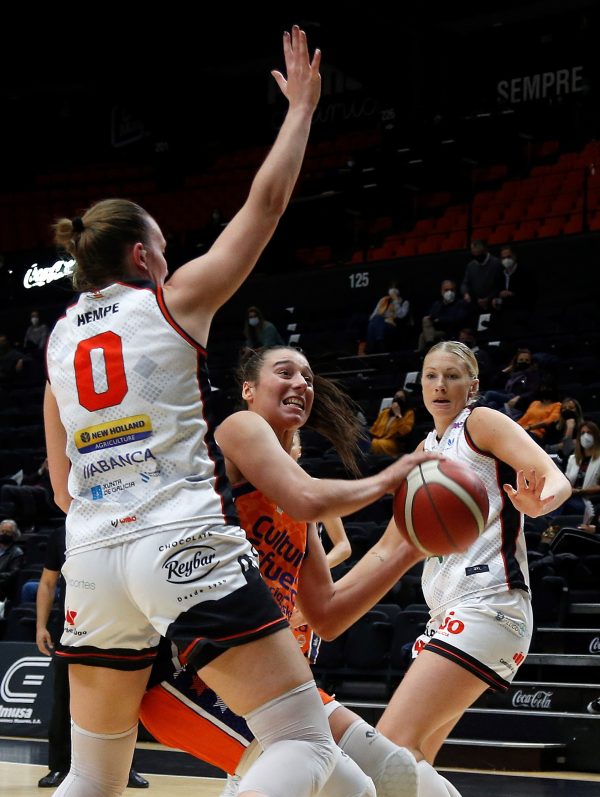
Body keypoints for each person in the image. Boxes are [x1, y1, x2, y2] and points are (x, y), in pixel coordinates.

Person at [43, 27, 374, 797]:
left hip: (91, 556)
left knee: (92, 774)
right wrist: (301, 111)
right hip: (177, 539)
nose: (168, 257)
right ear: (141, 257)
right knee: (302, 740)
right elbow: (267, 203)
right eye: (161, 246)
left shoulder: (58, 340)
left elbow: (60, 488)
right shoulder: (172, 299)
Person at [140, 345, 457, 797]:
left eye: (307, 377)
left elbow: (327, 614)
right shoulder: (240, 427)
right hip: (191, 668)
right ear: (249, 390)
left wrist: (411, 547)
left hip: (263, 671)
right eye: (285, 372)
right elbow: (307, 496)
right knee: (348, 789)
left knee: (396, 770)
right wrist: (392, 478)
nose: (301, 384)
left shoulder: (299, 502)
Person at [374, 340, 571, 770]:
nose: (440, 385)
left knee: (390, 746)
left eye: (452, 376)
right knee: (413, 760)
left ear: (473, 385)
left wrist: (541, 503)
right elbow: (390, 548)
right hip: (446, 611)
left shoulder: (480, 423)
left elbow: (556, 478)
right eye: (431, 376)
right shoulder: (422, 451)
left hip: (489, 601)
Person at [35, 525, 148, 789]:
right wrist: (40, 626)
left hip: (120, 626)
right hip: (74, 629)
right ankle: (59, 767)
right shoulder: (62, 533)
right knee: (63, 700)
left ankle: (125, 768)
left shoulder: (124, 527)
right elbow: (48, 582)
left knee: (126, 702)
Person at [480, 347, 541, 419]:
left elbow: (533, 391)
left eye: (527, 360)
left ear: (531, 362)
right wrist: (505, 371)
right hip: (507, 395)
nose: (524, 362)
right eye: (521, 360)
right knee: (491, 403)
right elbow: (493, 383)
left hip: (517, 399)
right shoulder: (514, 373)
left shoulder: (532, 375)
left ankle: (474, 410)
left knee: (490, 394)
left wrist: (519, 397)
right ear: (516, 361)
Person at [417, 279, 470, 354]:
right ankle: (423, 351)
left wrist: (439, 320)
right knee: (425, 320)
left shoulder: (460, 304)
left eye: (452, 290)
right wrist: (434, 319)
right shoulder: (437, 304)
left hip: (452, 332)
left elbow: (457, 320)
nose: (449, 292)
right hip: (439, 330)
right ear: (441, 291)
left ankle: (427, 349)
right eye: (446, 290)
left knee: (423, 336)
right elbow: (432, 316)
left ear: (455, 291)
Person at [560, 420, 600, 518]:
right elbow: (567, 479)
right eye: (582, 433)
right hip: (570, 496)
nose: (585, 436)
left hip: (589, 500)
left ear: (596, 436)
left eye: (589, 433)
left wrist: (580, 491)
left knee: (565, 504)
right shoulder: (572, 458)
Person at [460, 240, 503, 314]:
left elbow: (500, 284)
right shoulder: (471, 266)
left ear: (485, 251)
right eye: (474, 254)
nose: (477, 257)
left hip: (493, 302)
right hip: (477, 303)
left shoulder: (496, 263)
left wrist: (488, 298)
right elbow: (465, 283)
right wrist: (466, 293)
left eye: (479, 254)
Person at [369, 390, 416, 458]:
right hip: (378, 438)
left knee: (376, 443)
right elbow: (373, 428)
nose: (397, 399)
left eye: (401, 397)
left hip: (394, 443)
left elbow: (405, 431)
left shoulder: (409, 413)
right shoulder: (385, 412)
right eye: (396, 396)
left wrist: (398, 415)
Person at [366, 282, 410, 353]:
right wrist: (379, 319)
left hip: (393, 325)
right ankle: (378, 344)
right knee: (374, 321)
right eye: (391, 288)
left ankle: (371, 348)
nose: (392, 290)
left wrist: (395, 301)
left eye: (394, 288)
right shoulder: (384, 300)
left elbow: (401, 315)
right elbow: (373, 316)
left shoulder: (404, 302)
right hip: (381, 323)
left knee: (376, 321)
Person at [544, 397, 584, 466]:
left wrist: (570, 428)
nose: (567, 410)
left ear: (577, 411)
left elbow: (567, 451)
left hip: (576, 462)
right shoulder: (553, 426)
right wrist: (562, 445)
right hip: (554, 462)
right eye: (564, 408)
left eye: (571, 408)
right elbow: (546, 448)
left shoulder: (584, 427)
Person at [0, 518, 24, 604]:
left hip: (4, 588)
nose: (4, 534)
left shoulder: (17, 553)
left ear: (14, 535)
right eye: (2, 531)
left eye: (8, 532)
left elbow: (12, 574)